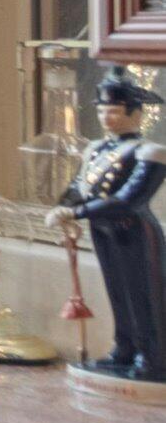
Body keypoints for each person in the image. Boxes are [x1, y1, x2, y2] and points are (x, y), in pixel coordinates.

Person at [61, 68, 166, 381]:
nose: (107, 118)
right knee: (117, 293)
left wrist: (77, 214)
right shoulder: (95, 150)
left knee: (144, 296)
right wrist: (63, 207)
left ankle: (153, 357)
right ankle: (124, 349)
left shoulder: (150, 152)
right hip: (103, 230)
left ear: (135, 114)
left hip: (133, 231)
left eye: (115, 111)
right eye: (103, 111)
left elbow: (127, 200)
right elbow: (80, 186)